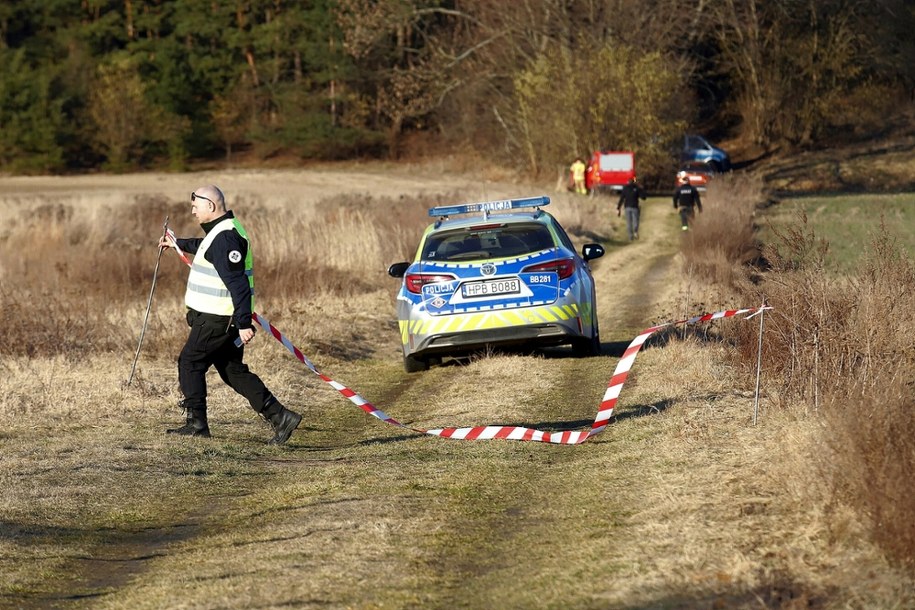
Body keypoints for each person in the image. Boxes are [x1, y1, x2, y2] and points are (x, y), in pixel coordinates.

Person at [157, 184, 302, 444]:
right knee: (232, 371)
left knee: (190, 362)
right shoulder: (223, 232)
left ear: (211, 206)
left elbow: (238, 285)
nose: (192, 211)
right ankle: (280, 417)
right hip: (222, 319)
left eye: (195, 206)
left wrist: (244, 323)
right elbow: (205, 248)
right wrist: (177, 243)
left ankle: (197, 425)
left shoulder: (226, 236)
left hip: (218, 319)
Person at [616, 176, 647, 240]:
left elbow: (622, 198)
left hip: (627, 207)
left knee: (629, 222)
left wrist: (618, 208)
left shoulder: (625, 188)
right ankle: (635, 232)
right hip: (635, 207)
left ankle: (630, 236)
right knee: (636, 221)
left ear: (628, 182)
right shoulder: (637, 188)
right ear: (633, 181)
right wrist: (642, 189)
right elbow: (643, 197)